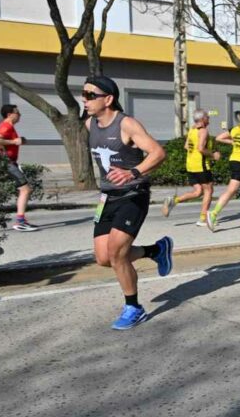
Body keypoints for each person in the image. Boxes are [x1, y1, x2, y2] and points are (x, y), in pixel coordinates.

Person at [83, 75, 173, 330]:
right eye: (83, 94)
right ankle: (156, 250)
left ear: (108, 99)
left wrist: (132, 173)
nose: (85, 100)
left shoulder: (127, 124)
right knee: (103, 258)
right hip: (107, 197)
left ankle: (134, 308)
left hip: (133, 194)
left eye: (90, 95)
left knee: (117, 253)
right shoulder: (89, 124)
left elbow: (158, 152)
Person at [162, 109, 220, 225]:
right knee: (209, 190)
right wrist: (213, 155)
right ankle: (203, 219)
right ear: (202, 119)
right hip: (200, 165)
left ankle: (174, 201)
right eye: (207, 117)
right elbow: (201, 149)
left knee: (198, 192)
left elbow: (186, 146)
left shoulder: (192, 130)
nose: (209, 119)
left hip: (190, 165)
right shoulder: (203, 131)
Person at [0, 103, 38, 231]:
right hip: (7, 163)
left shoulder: (8, 126)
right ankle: (20, 222)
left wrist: (19, 140)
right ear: (9, 114)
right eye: (17, 113)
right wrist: (14, 141)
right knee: (25, 190)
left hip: (6, 162)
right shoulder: (6, 126)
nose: (20, 115)